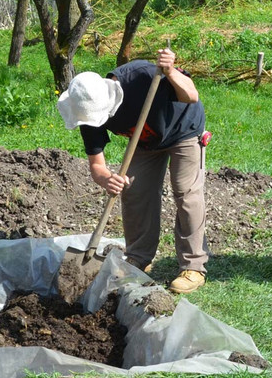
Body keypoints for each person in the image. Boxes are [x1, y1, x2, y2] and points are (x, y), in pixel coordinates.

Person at [57, 48, 208, 294]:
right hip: (147, 141)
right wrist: (107, 179)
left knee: (186, 193)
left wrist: (170, 72)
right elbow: (97, 166)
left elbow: (191, 94)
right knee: (134, 191)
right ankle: (139, 257)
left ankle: (193, 266)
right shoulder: (85, 110)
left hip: (183, 129)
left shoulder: (141, 77)